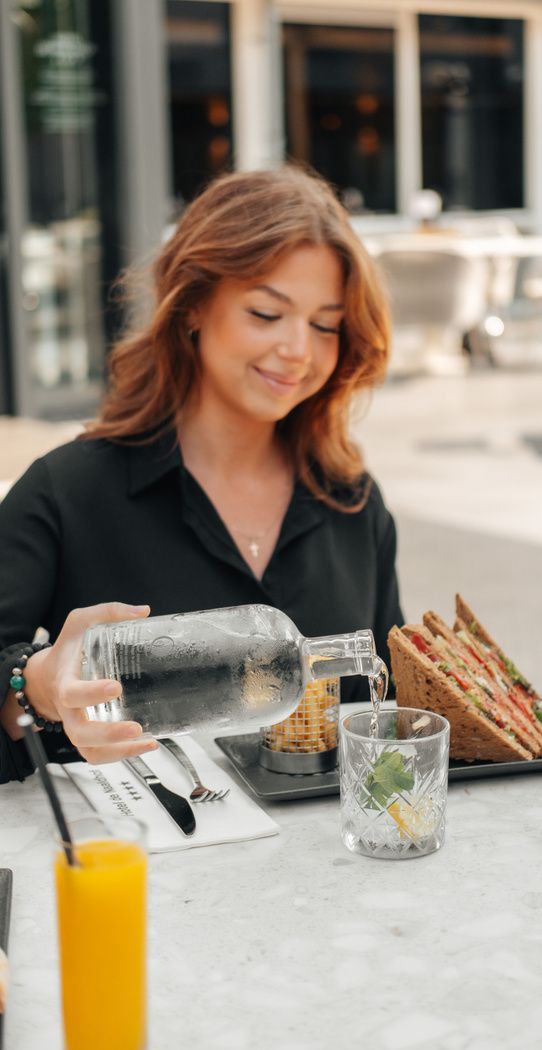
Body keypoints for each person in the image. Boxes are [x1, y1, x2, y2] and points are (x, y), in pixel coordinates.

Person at [0, 166, 403, 784]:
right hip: (135, 868)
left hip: (324, 876)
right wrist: (39, 688)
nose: (300, 349)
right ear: (191, 306)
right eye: (268, 313)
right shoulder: (65, 493)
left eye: (325, 324)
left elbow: (390, 709)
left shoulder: (354, 503)